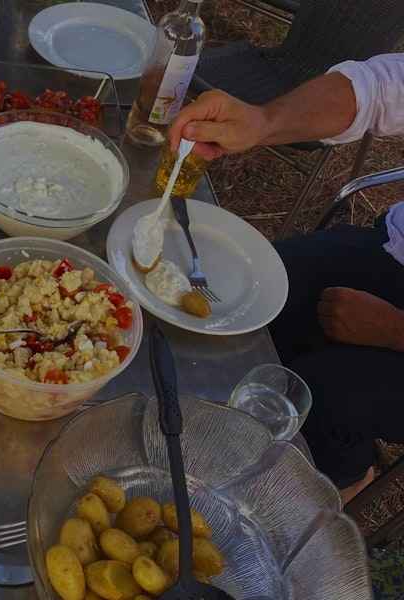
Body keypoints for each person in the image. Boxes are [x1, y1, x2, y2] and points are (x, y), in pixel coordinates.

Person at [167, 52, 404, 504]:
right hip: (397, 250)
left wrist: (392, 328)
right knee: (253, 297)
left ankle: (345, 470)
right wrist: (264, 120)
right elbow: (378, 87)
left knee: (320, 397)